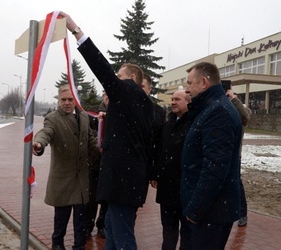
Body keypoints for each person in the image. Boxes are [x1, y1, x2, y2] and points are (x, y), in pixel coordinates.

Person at [60, 12, 154, 249]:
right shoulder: (140, 102)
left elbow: (100, 67)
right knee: (112, 231)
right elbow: (132, 130)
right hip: (128, 181)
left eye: (120, 76)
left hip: (123, 182)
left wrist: (75, 29)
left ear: (132, 78)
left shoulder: (127, 91)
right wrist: (109, 116)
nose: (115, 81)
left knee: (122, 238)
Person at [181, 62, 242, 249]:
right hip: (210, 210)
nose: (186, 89)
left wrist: (195, 209)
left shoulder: (218, 113)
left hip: (211, 212)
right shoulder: (210, 108)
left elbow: (215, 167)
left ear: (204, 83)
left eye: (190, 83)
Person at [32, 84, 98, 250]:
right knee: (61, 217)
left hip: (81, 179)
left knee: (81, 218)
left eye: (70, 99)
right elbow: (46, 132)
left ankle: (79, 245)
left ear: (75, 100)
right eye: (63, 100)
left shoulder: (83, 117)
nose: (67, 103)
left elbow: (90, 140)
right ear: (59, 100)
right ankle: (57, 243)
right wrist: (39, 143)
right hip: (62, 178)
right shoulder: (53, 118)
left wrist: (103, 151)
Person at [150, 89, 191, 250]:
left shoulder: (194, 124)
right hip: (167, 188)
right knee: (168, 229)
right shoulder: (167, 125)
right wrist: (155, 175)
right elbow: (159, 151)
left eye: (177, 99)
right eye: (172, 99)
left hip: (185, 188)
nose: (173, 102)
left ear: (188, 102)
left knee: (187, 232)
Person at [226, 88, 251, 227]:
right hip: (222, 153)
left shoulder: (241, 114)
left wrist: (234, 99)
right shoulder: (225, 110)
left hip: (235, 155)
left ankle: (242, 213)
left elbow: (245, 117)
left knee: (236, 183)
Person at [86, 90, 108, 239]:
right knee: (91, 198)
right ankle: (88, 225)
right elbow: (87, 132)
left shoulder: (118, 113)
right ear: (102, 95)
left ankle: (102, 225)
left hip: (108, 165)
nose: (108, 98)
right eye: (106, 94)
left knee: (105, 199)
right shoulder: (92, 112)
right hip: (93, 163)